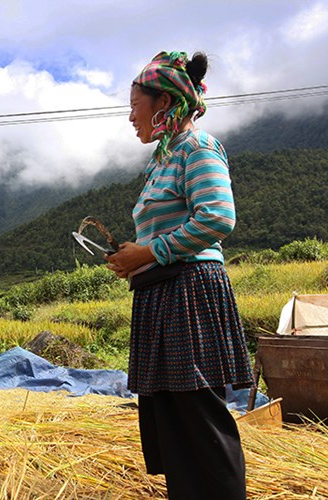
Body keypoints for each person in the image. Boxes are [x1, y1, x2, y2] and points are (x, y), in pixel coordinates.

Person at [105, 51, 253, 499]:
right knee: (170, 419)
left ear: (164, 104)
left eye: (135, 106)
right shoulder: (161, 160)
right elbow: (167, 232)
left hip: (189, 292)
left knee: (197, 415)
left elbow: (217, 218)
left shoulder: (197, 148)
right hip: (162, 293)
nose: (131, 117)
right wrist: (134, 259)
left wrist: (149, 251)